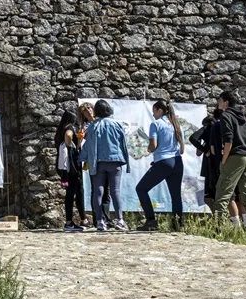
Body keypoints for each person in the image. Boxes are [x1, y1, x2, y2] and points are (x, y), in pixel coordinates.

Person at [135, 100, 184, 231]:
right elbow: (182, 149)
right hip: (177, 161)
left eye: (154, 111)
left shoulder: (155, 124)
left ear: (159, 110)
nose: (153, 113)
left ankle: (151, 221)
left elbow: (153, 145)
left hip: (164, 161)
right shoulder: (175, 124)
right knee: (176, 195)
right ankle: (178, 225)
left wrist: (149, 150)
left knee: (141, 189)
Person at [212, 91, 246, 232]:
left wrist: (224, 160)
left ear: (226, 102)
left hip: (234, 157)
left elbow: (228, 140)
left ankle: (218, 228)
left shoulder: (226, 116)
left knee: (222, 192)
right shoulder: (244, 117)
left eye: (219, 100)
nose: (218, 103)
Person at [82, 99, 128, 232]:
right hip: (115, 161)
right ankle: (120, 220)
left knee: (98, 191)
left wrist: (82, 158)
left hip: (98, 162)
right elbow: (123, 143)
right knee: (115, 191)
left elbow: (88, 146)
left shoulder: (92, 126)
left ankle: (100, 221)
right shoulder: (117, 124)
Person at [55, 110, 85, 232]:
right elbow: (68, 135)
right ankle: (69, 222)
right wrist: (72, 146)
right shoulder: (69, 127)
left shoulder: (59, 132)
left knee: (71, 193)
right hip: (72, 166)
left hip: (65, 167)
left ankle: (75, 220)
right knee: (74, 193)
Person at [189, 112, 220, 211]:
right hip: (220, 163)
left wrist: (204, 149)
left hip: (210, 164)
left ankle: (216, 215)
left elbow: (193, 138)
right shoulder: (219, 129)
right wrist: (203, 148)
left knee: (209, 192)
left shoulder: (207, 128)